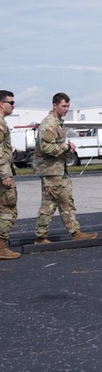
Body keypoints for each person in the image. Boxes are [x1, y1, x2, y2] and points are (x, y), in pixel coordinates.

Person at [33, 93, 97, 244]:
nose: (66, 109)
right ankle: (40, 236)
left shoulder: (58, 122)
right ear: (54, 105)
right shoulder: (49, 124)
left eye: (68, 106)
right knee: (49, 204)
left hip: (59, 170)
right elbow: (47, 148)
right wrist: (67, 147)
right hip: (50, 171)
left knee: (66, 201)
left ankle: (75, 232)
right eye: (63, 106)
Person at [0, 91, 19, 260]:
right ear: (1, 104)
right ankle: (1, 247)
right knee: (8, 209)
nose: (13, 106)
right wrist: (6, 174)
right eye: (11, 103)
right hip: (2, 175)